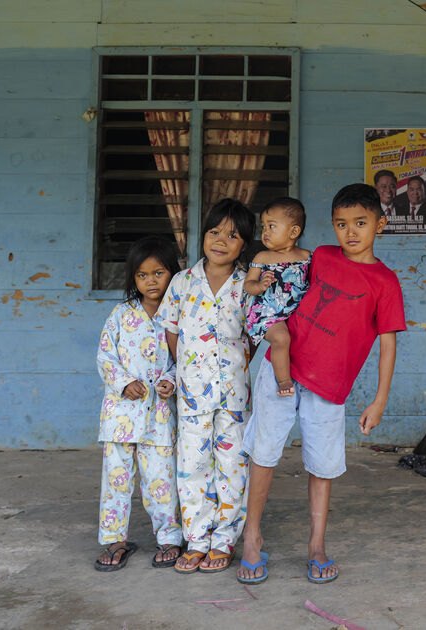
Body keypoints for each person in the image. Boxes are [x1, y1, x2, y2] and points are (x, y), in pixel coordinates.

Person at [238, 183, 405, 586]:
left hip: (330, 386)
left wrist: (380, 399)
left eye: (360, 223)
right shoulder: (321, 257)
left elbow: (388, 344)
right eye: (341, 224)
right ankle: (251, 536)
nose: (350, 232)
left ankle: (317, 545)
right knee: (263, 453)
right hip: (285, 367)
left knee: (323, 465)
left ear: (379, 225)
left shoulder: (386, 282)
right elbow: (280, 274)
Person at [155, 198, 257, 575]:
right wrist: (187, 368)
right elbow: (171, 330)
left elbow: (254, 334)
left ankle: (224, 539)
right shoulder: (183, 282)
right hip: (193, 393)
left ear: (244, 243)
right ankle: (197, 539)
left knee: (233, 466)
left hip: (233, 393)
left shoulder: (247, 284)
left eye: (232, 235)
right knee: (192, 466)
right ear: (203, 235)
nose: (221, 240)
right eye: (214, 231)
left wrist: (239, 362)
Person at [93, 236, 184, 572]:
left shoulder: (177, 317)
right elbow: (105, 356)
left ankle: (170, 539)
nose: (151, 281)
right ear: (133, 278)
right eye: (142, 275)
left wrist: (170, 382)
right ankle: (114, 539)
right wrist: (124, 382)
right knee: (116, 480)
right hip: (120, 417)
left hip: (159, 418)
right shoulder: (120, 315)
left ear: (172, 274)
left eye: (158, 273)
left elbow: (182, 360)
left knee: (161, 480)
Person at [243, 198, 311, 397]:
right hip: (268, 312)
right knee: (281, 338)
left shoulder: (307, 257)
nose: (265, 232)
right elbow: (248, 285)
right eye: (263, 227)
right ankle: (283, 381)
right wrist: (260, 285)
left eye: (272, 226)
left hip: (295, 312)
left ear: (293, 232)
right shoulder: (262, 258)